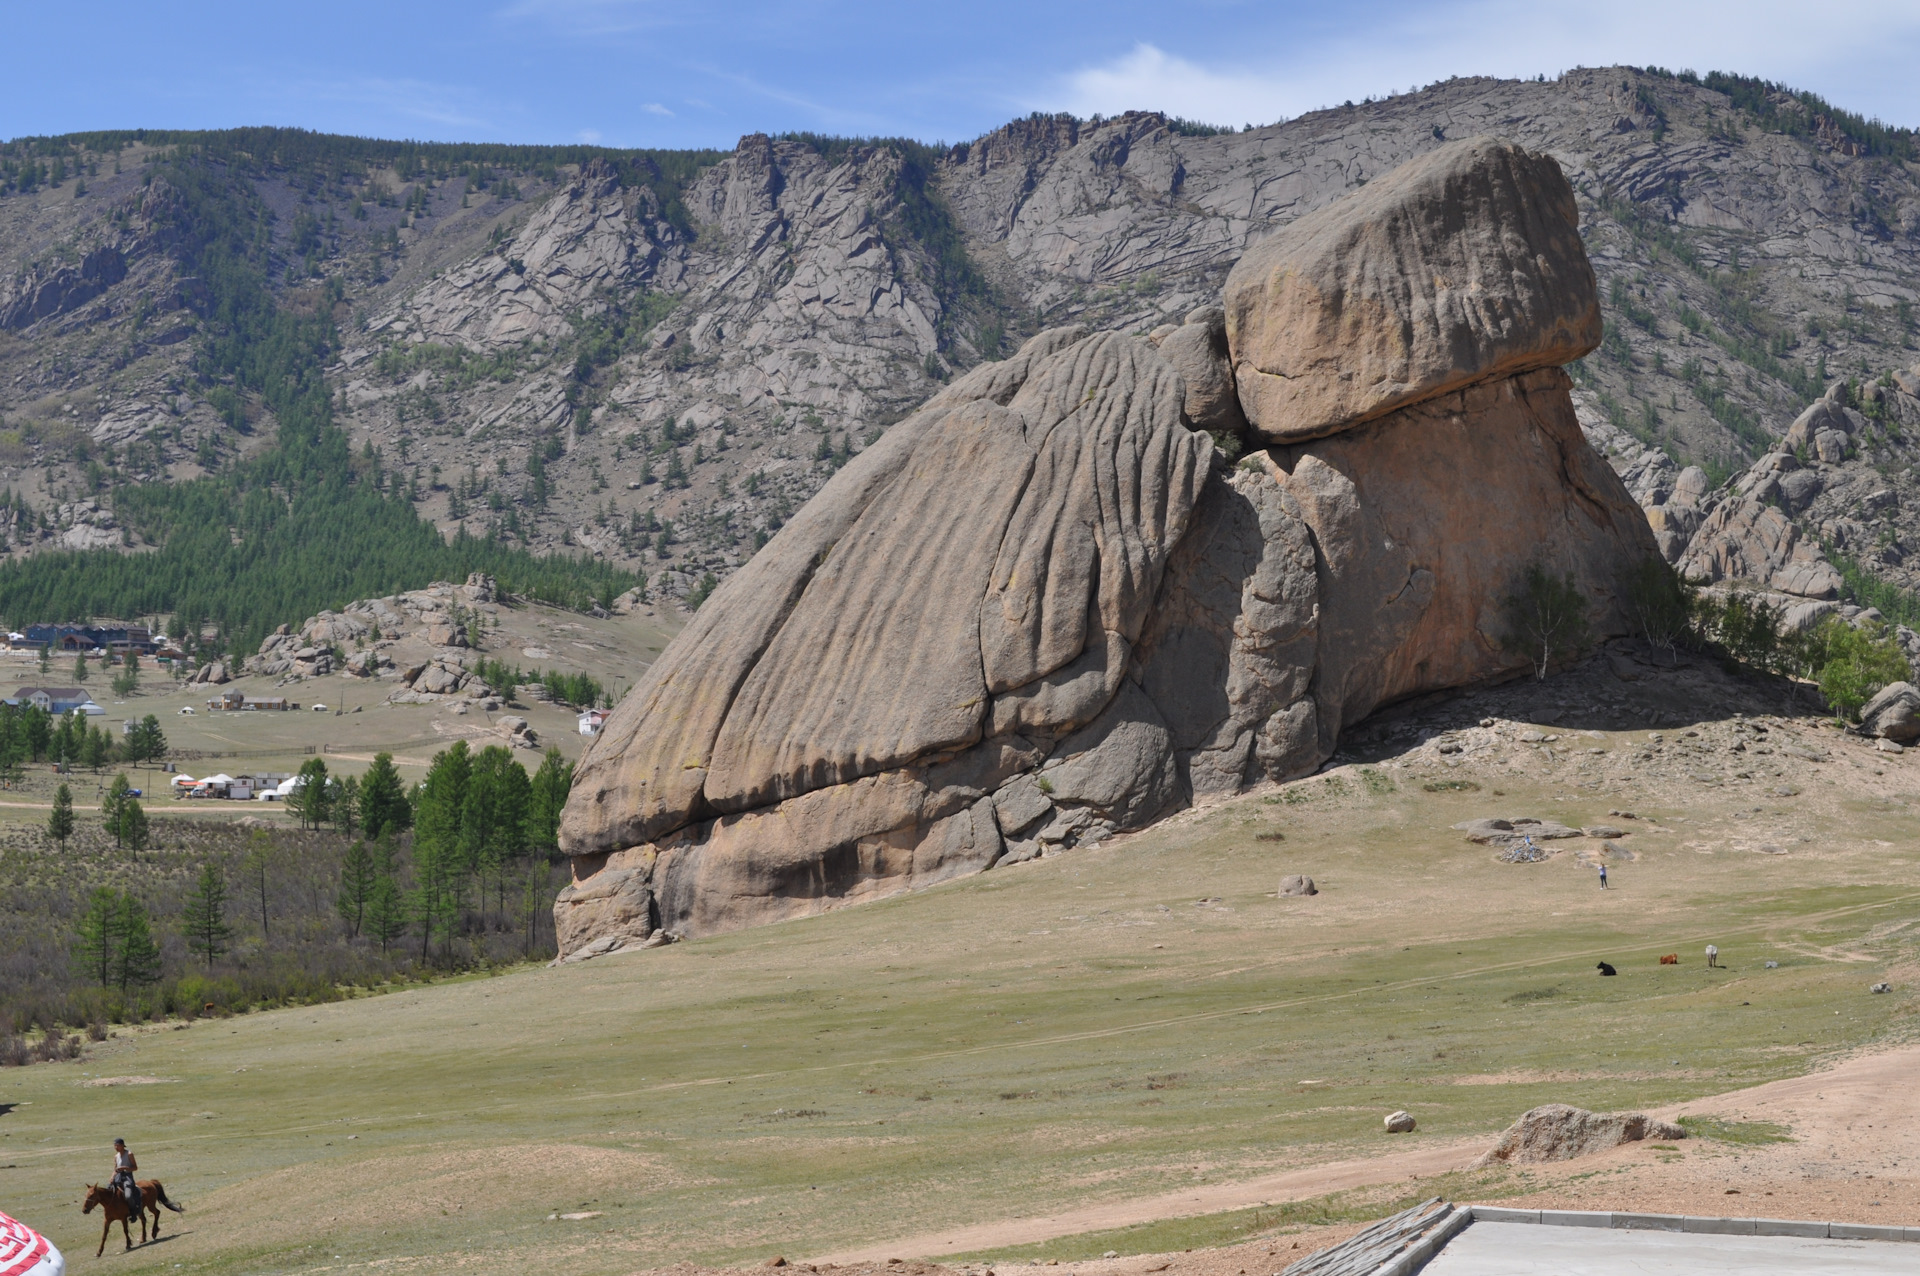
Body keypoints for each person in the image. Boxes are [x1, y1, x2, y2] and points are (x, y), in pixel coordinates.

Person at [110, 1137, 140, 1217]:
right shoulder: (116, 1156)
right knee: (108, 1190)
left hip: (127, 1176)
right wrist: (112, 1177)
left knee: (128, 1195)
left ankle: (133, 1211)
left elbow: (135, 1167)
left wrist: (125, 1168)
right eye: (115, 1146)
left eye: (117, 1145)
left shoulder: (129, 1154)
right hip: (118, 1176)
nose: (116, 1147)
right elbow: (115, 1169)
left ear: (123, 1145)